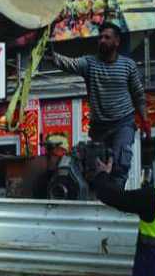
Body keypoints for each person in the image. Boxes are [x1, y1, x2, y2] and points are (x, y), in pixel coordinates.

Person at [48, 21, 149, 188]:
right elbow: (68, 63)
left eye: (107, 37)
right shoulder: (89, 63)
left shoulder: (128, 65)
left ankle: (117, 196)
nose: (102, 40)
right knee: (97, 167)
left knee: (120, 163)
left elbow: (138, 95)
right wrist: (51, 55)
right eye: (100, 37)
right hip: (99, 127)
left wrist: (145, 120)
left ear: (117, 42)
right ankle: (101, 195)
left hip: (123, 122)